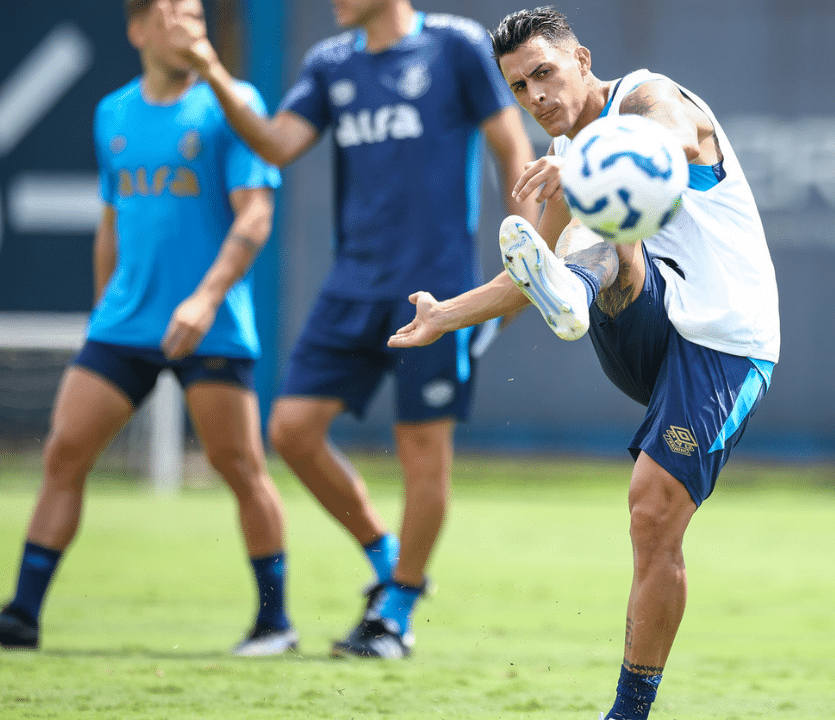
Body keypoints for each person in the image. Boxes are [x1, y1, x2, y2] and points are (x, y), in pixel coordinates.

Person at [389, 7, 780, 718]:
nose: (535, 96)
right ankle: (572, 288)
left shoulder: (650, 99)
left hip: (725, 343)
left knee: (651, 514)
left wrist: (586, 166)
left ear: (581, 59)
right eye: (518, 87)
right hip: (639, 319)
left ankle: (629, 711)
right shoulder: (576, 163)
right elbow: (520, 276)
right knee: (574, 228)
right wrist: (442, 314)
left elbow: (657, 144)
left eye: (544, 72)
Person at [163, 0, 539, 658]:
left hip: (437, 293)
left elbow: (514, 150)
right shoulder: (330, 61)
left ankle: (394, 614)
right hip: (351, 287)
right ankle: (388, 557)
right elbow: (278, 144)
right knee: (291, 431)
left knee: (422, 453)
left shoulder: (453, 45)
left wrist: (524, 263)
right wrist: (211, 70)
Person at [0, 0, 295, 656]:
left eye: (195, 12)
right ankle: (21, 614)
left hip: (209, 323)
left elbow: (255, 218)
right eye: (170, 13)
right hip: (125, 325)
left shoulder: (232, 101)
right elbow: (114, 220)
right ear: (137, 30)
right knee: (64, 452)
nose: (186, 23)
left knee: (240, 466)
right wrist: (105, 307)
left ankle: (275, 623)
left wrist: (204, 299)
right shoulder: (112, 113)